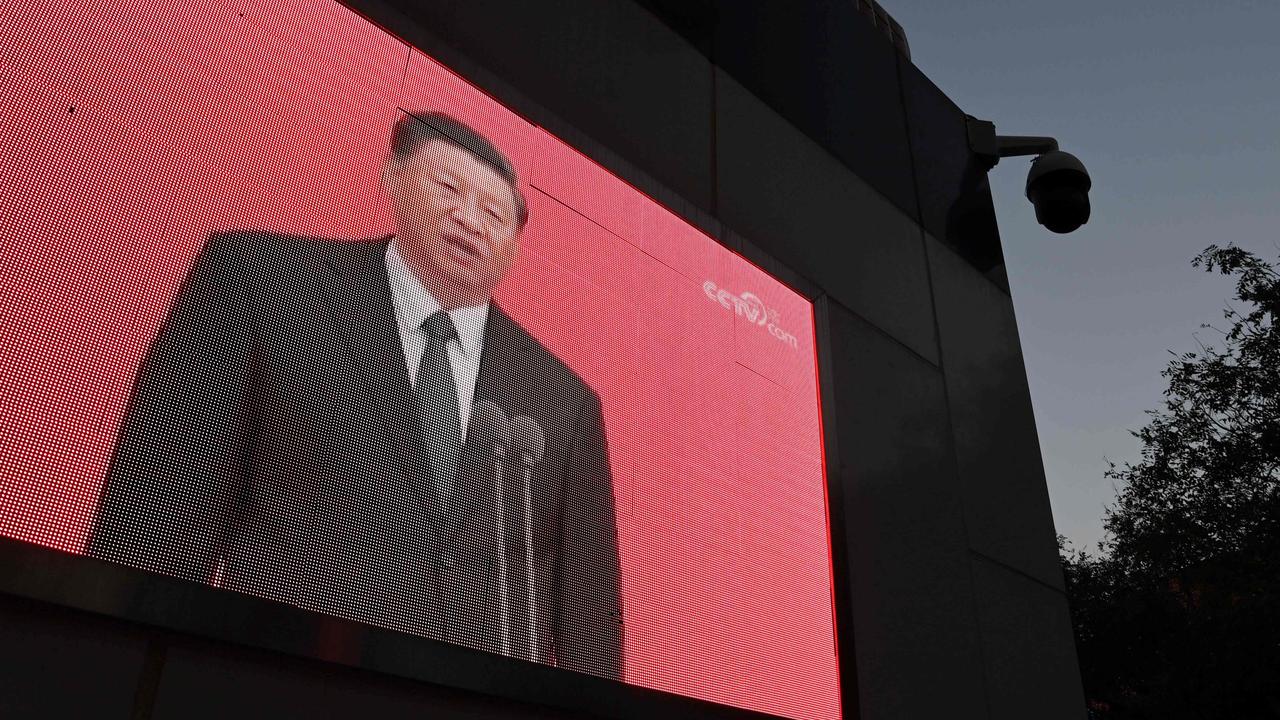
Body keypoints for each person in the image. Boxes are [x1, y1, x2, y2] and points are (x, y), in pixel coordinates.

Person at [87, 112, 623, 680]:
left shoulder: (563, 396)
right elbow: (157, 507)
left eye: (496, 214)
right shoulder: (264, 281)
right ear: (393, 178)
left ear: (515, 249)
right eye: (449, 188)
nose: (470, 219)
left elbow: (590, 621)